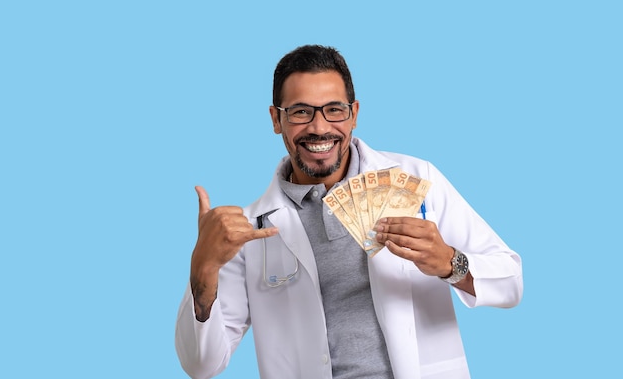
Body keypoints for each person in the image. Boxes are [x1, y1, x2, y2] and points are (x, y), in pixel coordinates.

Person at [175, 45, 523, 379]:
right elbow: (201, 365)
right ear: (275, 119)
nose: (319, 127)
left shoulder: (416, 179)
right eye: (300, 111)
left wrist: (450, 263)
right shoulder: (249, 231)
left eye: (334, 109)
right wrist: (202, 267)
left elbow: (511, 281)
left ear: (354, 113)